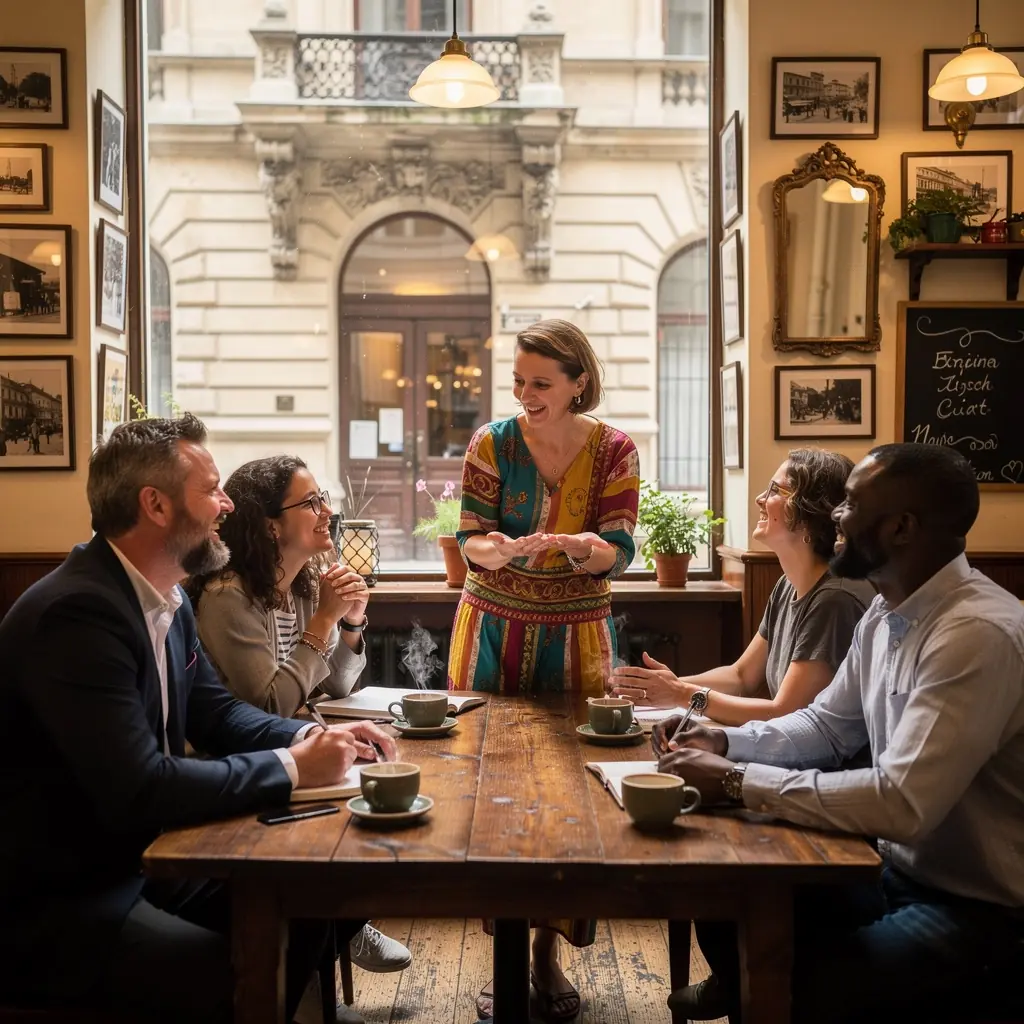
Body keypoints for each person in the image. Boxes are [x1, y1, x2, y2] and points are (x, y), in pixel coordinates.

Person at [0, 414, 397, 1024]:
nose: (227, 503)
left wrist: (314, 734)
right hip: (69, 891)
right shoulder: (76, 614)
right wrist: (295, 766)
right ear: (155, 505)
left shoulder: (169, 594)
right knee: (219, 969)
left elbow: (217, 713)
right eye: (211, 489)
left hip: (151, 856)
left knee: (315, 900)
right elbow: (141, 785)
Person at [653, 443, 1024, 1024]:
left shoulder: (975, 633)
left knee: (807, 987)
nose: (836, 518)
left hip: (979, 907)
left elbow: (902, 802)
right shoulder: (885, 614)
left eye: (851, 505)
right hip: (893, 870)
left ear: (902, 527)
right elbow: (824, 725)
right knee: (729, 891)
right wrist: (723, 741)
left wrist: (737, 779)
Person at [447, 318, 640, 1022]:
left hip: (578, 633)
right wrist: (488, 550)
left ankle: (546, 954)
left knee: (570, 796)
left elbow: (620, 549)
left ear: (578, 382)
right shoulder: (490, 442)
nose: (526, 395)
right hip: (492, 626)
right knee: (489, 789)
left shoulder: (616, 448)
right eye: (519, 382)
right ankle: (502, 956)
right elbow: (470, 535)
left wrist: (586, 546)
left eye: (541, 383)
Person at [188, 455, 412, 1008]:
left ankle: (334, 934)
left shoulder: (306, 582)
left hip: (301, 742)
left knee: (391, 807)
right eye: (310, 502)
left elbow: (335, 686)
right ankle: (333, 935)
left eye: (323, 499)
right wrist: (321, 624)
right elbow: (267, 704)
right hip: (245, 756)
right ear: (270, 524)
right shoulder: (227, 597)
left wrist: (351, 620)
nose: (325, 511)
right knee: (364, 830)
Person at [609, 449, 875, 725]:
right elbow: (741, 677)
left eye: (775, 490)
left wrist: (681, 693)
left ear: (808, 513)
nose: (760, 498)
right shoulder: (787, 585)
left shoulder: (834, 600)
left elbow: (786, 713)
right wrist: (665, 686)